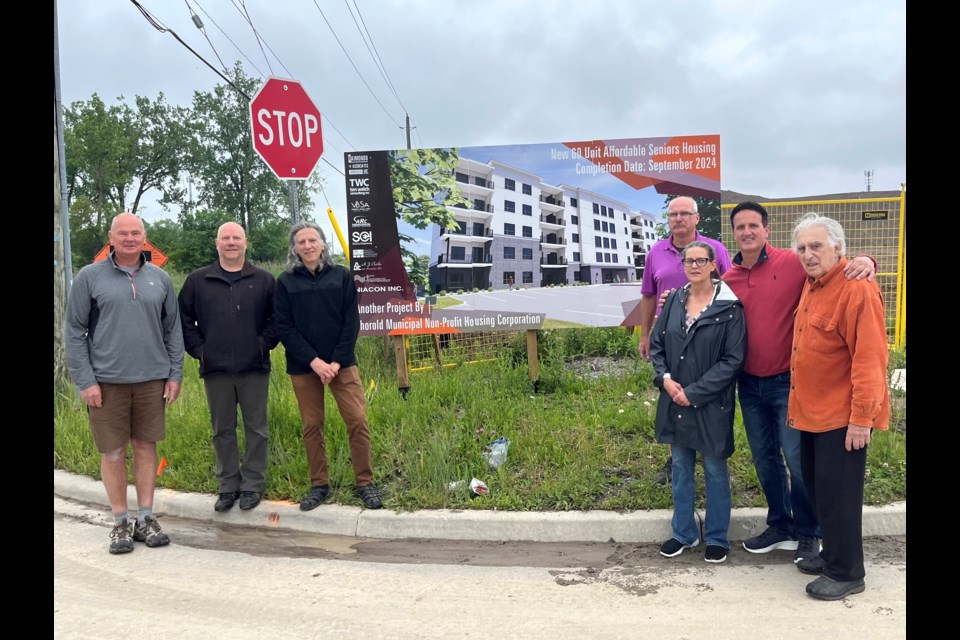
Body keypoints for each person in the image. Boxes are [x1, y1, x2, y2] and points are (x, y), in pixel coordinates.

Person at [723, 202, 875, 563]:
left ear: (766, 230)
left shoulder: (792, 263)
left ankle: (809, 532)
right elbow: (700, 301)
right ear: (734, 232)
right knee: (765, 460)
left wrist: (867, 259)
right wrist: (671, 298)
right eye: (740, 226)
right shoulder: (728, 280)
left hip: (788, 384)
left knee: (797, 460)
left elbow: (838, 266)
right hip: (749, 384)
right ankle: (781, 525)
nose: (747, 232)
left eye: (753, 225)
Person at [65, 212, 184, 554]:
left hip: (152, 379)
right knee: (113, 451)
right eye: (123, 233)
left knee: (146, 446)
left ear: (144, 237)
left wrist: (175, 373)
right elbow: (75, 331)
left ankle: (146, 518)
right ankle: (120, 521)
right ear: (111, 237)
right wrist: (85, 380)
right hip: (106, 382)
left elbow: (172, 330)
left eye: (136, 233)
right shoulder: (89, 277)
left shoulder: (159, 279)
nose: (130, 238)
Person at [787, 213, 889, 601]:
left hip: (843, 418)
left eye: (817, 246)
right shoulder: (813, 285)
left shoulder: (857, 289)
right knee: (822, 492)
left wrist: (862, 419)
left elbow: (870, 360)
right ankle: (833, 553)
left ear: (838, 249)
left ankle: (847, 572)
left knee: (840, 497)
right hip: (812, 413)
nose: (808, 254)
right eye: (802, 248)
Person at [274, 221, 383, 511]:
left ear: (323, 243)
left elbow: (352, 322)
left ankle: (365, 482)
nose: (308, 246)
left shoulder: (341, 276)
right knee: (312, 426)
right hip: (303, 366)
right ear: (294, 248)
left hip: (342, 365)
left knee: (357, 421)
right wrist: (315, 362)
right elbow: (284, 327)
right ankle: (319, 484)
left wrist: (334, 361)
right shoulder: (285, 282)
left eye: (313, 240)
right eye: (301, 242)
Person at [650, 241, 746, 564]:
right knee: (680, 466)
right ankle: (684, 532)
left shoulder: (730, 307)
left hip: (711, 404)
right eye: (688, 261)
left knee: (715, 469)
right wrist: (665, 379)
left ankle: (717, 536)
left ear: (713, 264)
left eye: (700, 260)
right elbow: (657, 345)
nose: (694, 266)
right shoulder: (675, 300)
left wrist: (694, 392)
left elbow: (732, 360)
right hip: (675, 400)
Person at [178, 221, 279, 513]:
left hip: (254, 368)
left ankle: (252, 486)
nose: (231, 242)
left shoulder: (263, 280)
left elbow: (278, 319)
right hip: (216, 369)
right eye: (226, 238)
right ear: (217, 243)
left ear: (246, 242)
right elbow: (183, 319)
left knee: (256, 429)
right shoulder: (199, 280)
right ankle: (227, 486)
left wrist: (263, 344)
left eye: (236, 238)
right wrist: (200, 350)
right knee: (222, 429)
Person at [638, 196, 732, 485]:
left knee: (706, 394)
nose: (678, 219)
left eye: (684, 214)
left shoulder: (714, 249)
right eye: (672, 214)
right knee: (674, 395)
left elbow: (731, 287)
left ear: (696, 218)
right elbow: (649, 295)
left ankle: (710, 452)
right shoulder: (656, 251)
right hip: (672, 340)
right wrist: (644, 334)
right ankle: (677, 456)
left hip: (709, 338)